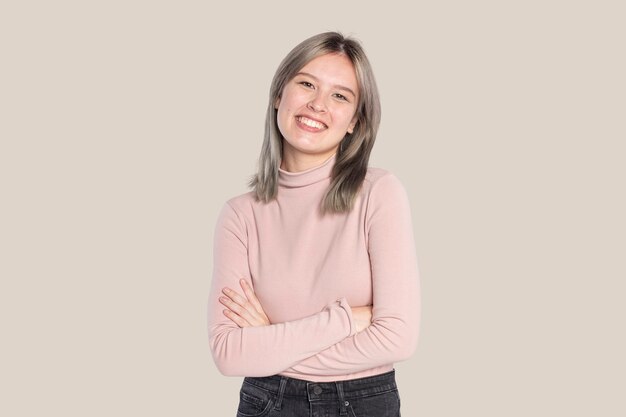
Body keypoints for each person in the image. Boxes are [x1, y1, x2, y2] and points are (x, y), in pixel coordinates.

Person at [208, 31, 420, 417]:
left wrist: (270, 343)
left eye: (340, 96)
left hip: (363, 403)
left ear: (355, 121)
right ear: (278, 95)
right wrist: (345, 320)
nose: (318, 104)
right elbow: (228, 353)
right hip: (266, 403)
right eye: (306, 84)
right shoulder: (240, 215)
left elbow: (397, 339)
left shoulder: (379, 192)